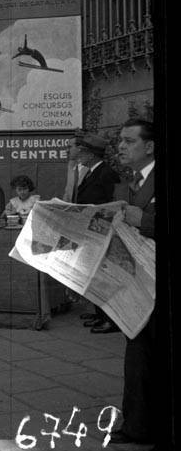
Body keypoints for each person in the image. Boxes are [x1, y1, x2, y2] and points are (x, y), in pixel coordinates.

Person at [109, 118, 156, 446]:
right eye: (120, 141)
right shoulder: (128, 184)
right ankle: (136, 426)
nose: (121, 147)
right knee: (137, 356)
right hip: (136, 285)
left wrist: (148, 221)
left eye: (129, 141)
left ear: (149, 146)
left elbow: (146, 220)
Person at [74, 132, 121, 334]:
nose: (78, 155)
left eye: (83, 152)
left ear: (92, 154)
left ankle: (111, 320)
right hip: (92, 230)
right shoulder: (93, 172)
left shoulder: (106, 173)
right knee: (93, 274)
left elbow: (111, 203)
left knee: (104, 276)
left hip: (102, 230)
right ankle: (100, 314)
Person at [62, 131, 89, 202]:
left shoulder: (90, 166)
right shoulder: (71, 165)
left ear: (79, 148)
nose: (67, 150)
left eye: (69, 147)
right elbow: (68, 192)